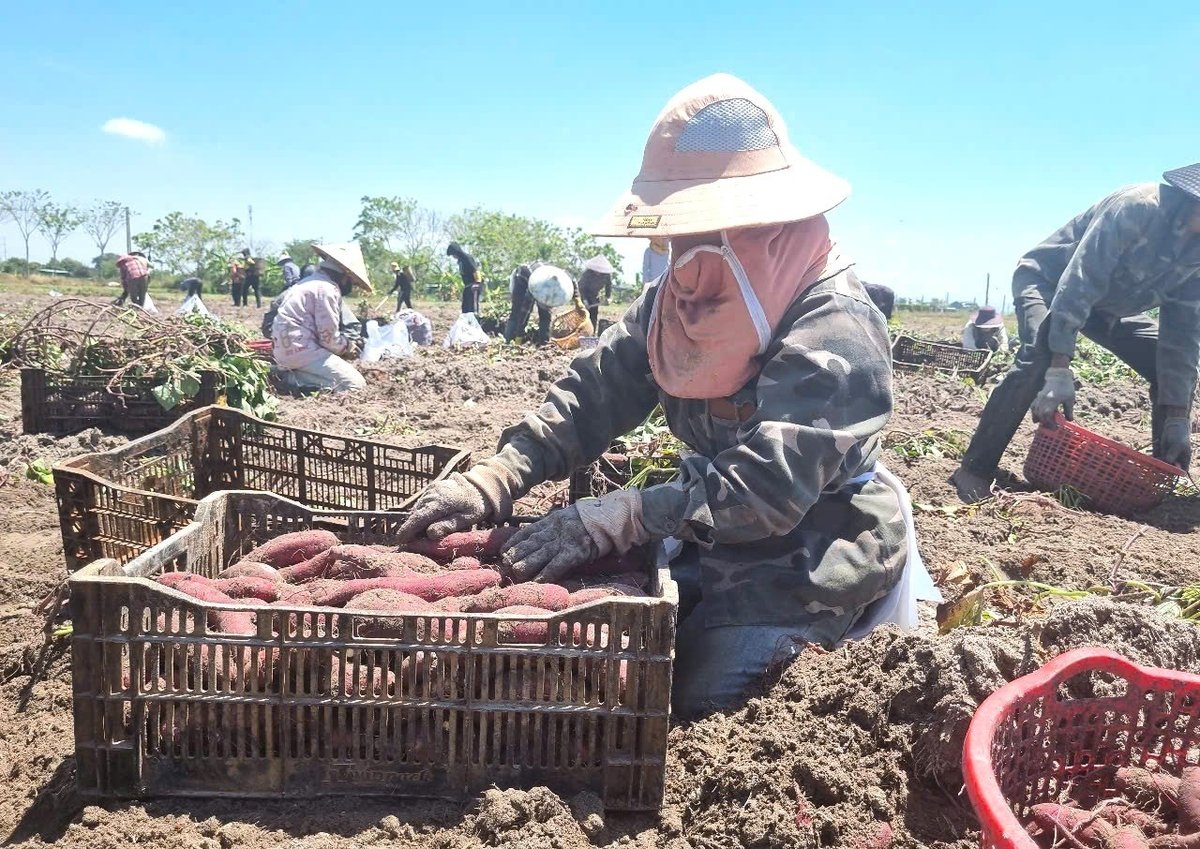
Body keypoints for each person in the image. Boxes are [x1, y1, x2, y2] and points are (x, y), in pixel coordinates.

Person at [398, 74, 923, 720]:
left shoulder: (837, 329)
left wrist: (617, 516)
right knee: (633, 649)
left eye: (694, 237)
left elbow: (766, 492)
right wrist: (498, 475)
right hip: (711, 536)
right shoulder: (685, 296)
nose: (678, 261)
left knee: (703, 704)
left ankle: (814, 657)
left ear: (764, 227)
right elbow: (598, 388)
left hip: (813, 557)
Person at [952, 166, 1200, 502]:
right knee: (1037, 358)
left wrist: (1177, 417)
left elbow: (1182, 336)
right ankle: (974, 469)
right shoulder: (1137, 208)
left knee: (1165, 366)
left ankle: (1158, 479)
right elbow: (1079, 282)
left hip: (1110, 307)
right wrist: (1058, 366)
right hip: (1050, 284)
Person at [271, 242, 374, 392]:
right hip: (303, 352)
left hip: (285, 351)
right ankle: (290, 379)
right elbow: (329, 339)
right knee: (355, 385)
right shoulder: (327, 289)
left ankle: (289, 373)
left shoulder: (308, 283)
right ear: (345, 276)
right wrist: (347, 347)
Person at [578, 255, 614, 330]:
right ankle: (582, 332)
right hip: (585, 293)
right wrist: (585, 300)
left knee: (593, 315)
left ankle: (592, 332)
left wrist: (608, 297)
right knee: (583, 315)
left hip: (595, 295)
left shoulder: (607, 275)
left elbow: (608, 286)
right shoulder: (587, 274)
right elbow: (581, 288)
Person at [447, 241, 482, 314]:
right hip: (467, 286)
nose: (453, 257)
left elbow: (475, 271)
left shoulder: (467, 258)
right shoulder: (460, 261)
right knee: (465, 309)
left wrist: (477, 283)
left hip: (474, 286)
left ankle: (475, 322)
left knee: (473, 309)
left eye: (453, 254)